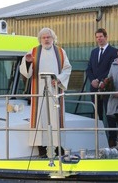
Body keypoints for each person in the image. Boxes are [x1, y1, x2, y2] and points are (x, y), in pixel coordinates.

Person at [20, 27, 72, 158]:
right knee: (40, 117)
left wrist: (59, 79)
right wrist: (27, 62)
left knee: (56, 117)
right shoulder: (33, 51)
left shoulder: (60, 52)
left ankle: (57, 146)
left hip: (55, 89)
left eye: (48, 37)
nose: (46, 39)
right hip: (39, 90)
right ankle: (41, 147)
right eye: (43, 37)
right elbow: (26, 72)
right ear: (40, 39)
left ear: (53, 38)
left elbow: (67, 68)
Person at [86, 28, 118, 122]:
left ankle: (112, 136)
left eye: (101, 36)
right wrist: (92, 80)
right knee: (97, 115)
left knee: (110, 114)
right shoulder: (94, 52)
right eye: (97, 37)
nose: (99, 39)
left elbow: (111, 69)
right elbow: (89, 68)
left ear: (106, 37)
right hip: (94, 88)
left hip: (106, 87)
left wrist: (99, 80)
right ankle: (99, 135)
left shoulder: (114, 51)